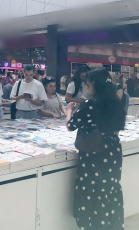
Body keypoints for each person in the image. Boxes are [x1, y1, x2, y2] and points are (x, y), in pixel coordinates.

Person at [65, 69, 125, 230]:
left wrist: (68, 111)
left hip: (95, 151)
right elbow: (118, 126)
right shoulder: (115, 102)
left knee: (92, 188)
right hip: (113, 149)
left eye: (88, 83)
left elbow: (71, 126)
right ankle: (111, 224)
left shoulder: (90, 104)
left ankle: (92, 224)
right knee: (109, 188)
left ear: (93, 84)